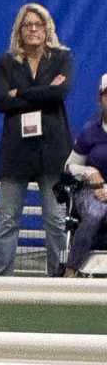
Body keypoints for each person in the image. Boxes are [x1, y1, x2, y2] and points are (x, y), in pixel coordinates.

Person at [0, 3, 71, 276]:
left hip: (53, 150)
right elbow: (1, 101)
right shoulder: (6, 62)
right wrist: (45, 90)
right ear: (20, 31)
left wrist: (20, 94)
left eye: (38, 24)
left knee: (57, 220)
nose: (33, 30)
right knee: (8, 220)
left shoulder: (62, 58)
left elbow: (59, 95)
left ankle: (59, 278)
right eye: (27, 25)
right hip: (16, 150)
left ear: (47, 29)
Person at [62, 74, 107, 276]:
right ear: (101, 98)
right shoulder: (90, 131)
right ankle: (72, 269)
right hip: (90, 192)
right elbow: (70, 166)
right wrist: (89, 172)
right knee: (95, 213)